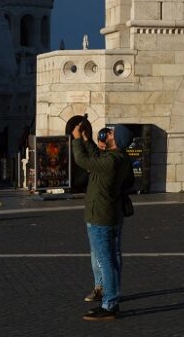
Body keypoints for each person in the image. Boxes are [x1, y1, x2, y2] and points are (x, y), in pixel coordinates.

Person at [71, 122, 134, 321]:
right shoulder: (120, 158)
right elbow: (97, 157)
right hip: (113, 215)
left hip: (101, 216)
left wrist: (75, 140)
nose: (108, 132)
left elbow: (83, 160)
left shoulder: (110, 162)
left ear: (115, 140)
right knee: (113, 257)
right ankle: (112, 297)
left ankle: (109, 304)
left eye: (112, 132)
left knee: (106, 260)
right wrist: (88, 140)